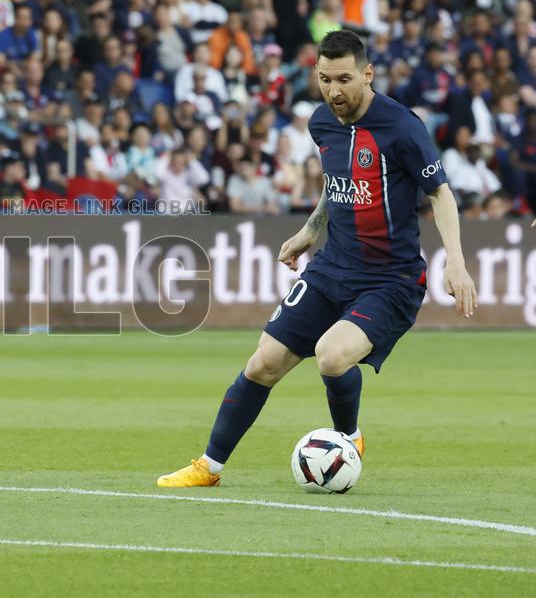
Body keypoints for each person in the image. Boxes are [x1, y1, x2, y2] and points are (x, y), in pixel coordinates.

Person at [157, 30, 477, 488]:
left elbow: (440, 194)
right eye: (325, 79)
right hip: (331, 268)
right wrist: (311, 230)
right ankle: (209, 467)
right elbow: (336, 182)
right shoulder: (321, 122)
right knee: (262, 363)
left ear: (367, 74)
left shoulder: (402, 127)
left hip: (391, 279)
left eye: (344, 79)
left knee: (331, 356)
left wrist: (456, 261)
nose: (334, 91)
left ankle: (348, 437)